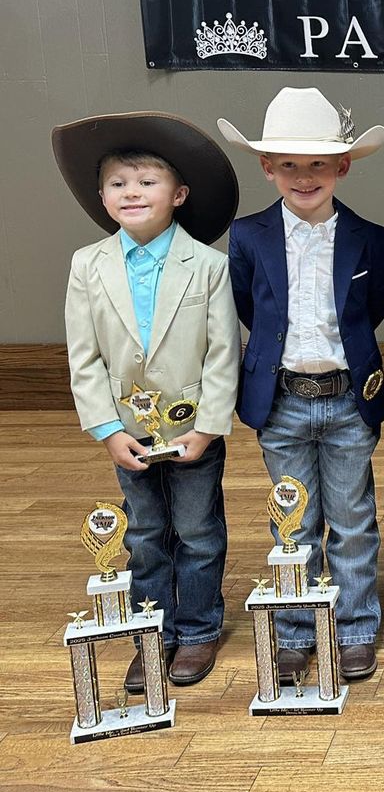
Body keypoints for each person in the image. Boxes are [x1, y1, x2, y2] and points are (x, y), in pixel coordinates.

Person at [56, 111, 241, 691]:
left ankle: (200, 626)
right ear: (103, 197)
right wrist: (107, 430)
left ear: (178, 194)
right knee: (143, 533)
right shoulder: (88, 266)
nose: (131, 192)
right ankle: (152, 632)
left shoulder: (209, 266)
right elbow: (84, 356)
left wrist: (208, 427)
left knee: (197, 528)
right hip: (128, 430)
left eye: (146, 181)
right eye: (117, 184)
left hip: (191, 430)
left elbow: (222, 353)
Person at [219, 87, 384, 682]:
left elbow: (372, 307)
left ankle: (353, 627)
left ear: (342, 166)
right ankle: (295, 626)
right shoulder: (246, 237)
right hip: (283, 399)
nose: (304, 176)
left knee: (351, 516)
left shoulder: (369, 237)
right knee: (291, 518)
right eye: (288, 165)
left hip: (347, 397)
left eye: (318, 164)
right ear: (266, 168)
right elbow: (249, 306)